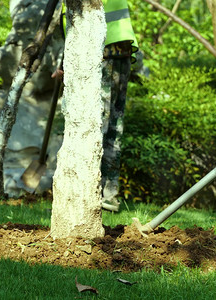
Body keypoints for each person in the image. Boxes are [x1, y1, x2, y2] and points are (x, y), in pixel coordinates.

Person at [56, 0, 139, 212]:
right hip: (123, 51)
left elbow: (78, 28)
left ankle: (87, 194)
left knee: (94, 125)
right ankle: (109, 195)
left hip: (102, 56)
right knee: (114, 126)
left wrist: (65, 63)